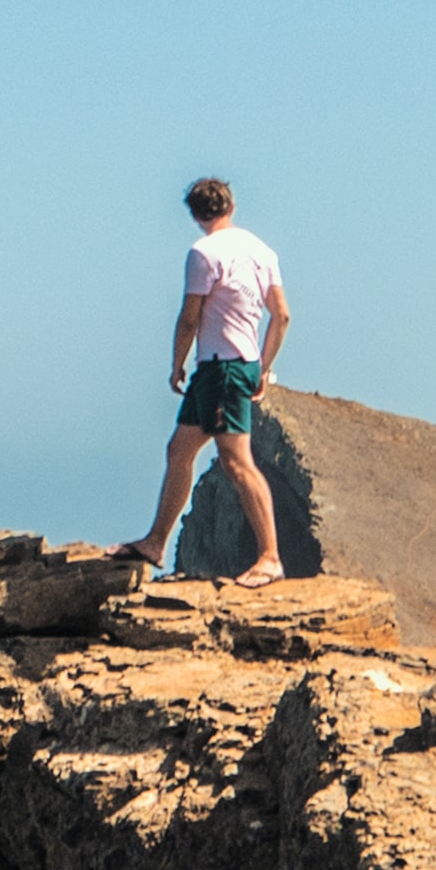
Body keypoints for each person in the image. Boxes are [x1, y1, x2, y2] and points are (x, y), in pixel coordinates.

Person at [111, 175, 292, 585]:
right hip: (232, 365)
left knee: (236, 461)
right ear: (230, 205)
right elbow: (281, 315)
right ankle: (156, 542)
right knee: (179, 449)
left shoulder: (203, 253)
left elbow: (190, 316)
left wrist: (177, 363)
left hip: (220, 368)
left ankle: (270, 557)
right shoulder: (262, 251)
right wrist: (262, 367)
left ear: (195, 215)